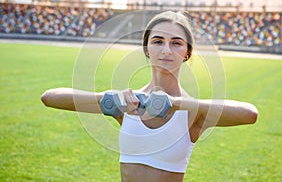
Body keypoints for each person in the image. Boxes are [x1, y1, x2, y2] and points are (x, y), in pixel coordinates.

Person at [41, 11, 258, 182]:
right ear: (146, 48)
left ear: (187, 52)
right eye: (157, 41)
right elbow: (49, 97)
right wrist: (106, 98)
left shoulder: (192, 112)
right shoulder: (128, 103)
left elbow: (250, 114)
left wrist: (177, 103)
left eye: (176, 43)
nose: (166, 50)